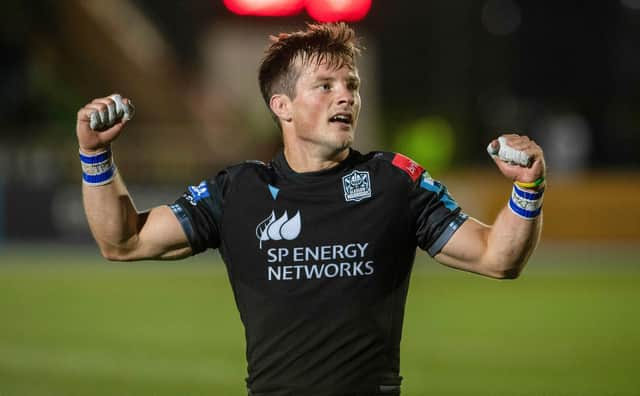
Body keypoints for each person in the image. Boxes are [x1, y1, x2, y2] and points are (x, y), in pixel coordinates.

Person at [76, 23, 545, 396]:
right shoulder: (239, 191)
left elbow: (497, 257)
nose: (346, 96)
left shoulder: (394, 182)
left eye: (351, 85)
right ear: (282, 106)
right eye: (324, 85)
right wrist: (95, 156)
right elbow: (124, 241)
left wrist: (529, 187)